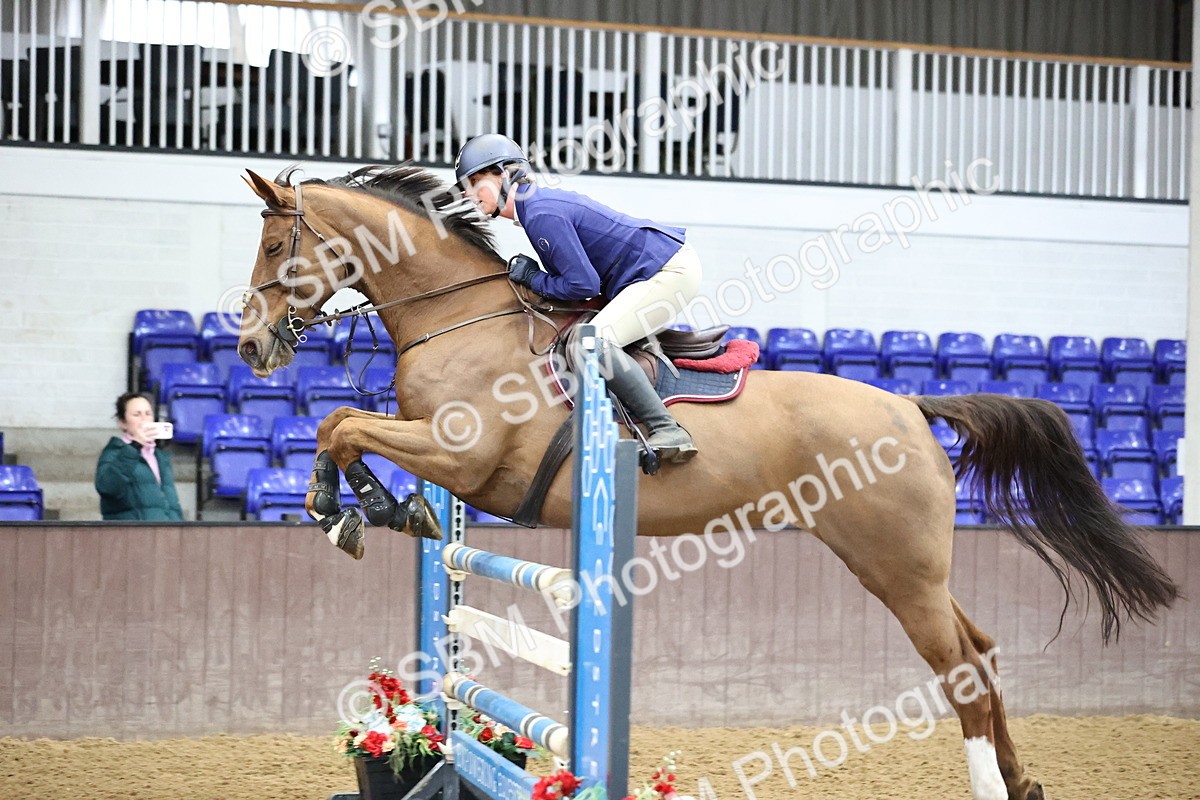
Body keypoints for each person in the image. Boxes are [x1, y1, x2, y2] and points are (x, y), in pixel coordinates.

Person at [455, 133, 702, 463]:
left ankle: (668, 429)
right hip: (652, 270)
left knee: (592, 344)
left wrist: (534, 279)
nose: (469, 194)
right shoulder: (534, 209)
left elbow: (583, 285)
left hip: (665, 271)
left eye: (475, 181)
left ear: (504, 173)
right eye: (465, 187)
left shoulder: (541, 213)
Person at [95, 392, 183, 521]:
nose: (144, 419)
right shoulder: (114, 451)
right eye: (137, 414)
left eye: (148, 413)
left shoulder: (159, 456)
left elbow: (171, 503)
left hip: (165, 535)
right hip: (133, 536)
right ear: (123, 423)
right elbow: (108, 488)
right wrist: (135, 445)